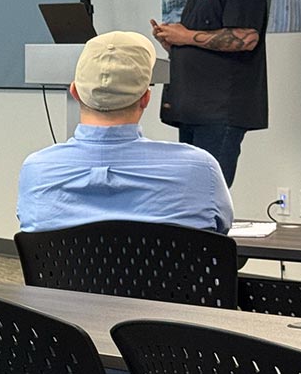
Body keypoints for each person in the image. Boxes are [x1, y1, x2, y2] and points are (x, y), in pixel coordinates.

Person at [18, 31, 232, 233]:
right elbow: (221, 230)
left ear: (75, 92)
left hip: (70, 274)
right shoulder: (199, 168)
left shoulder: (37, 170)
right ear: (145, 98)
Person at [152, 0, 268, 186]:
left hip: (219, 110)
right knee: (190, 198)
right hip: (192, 109)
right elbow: (204, 38)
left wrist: (187, 36)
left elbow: (245, 38)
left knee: (207, 198)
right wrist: (175, 43)